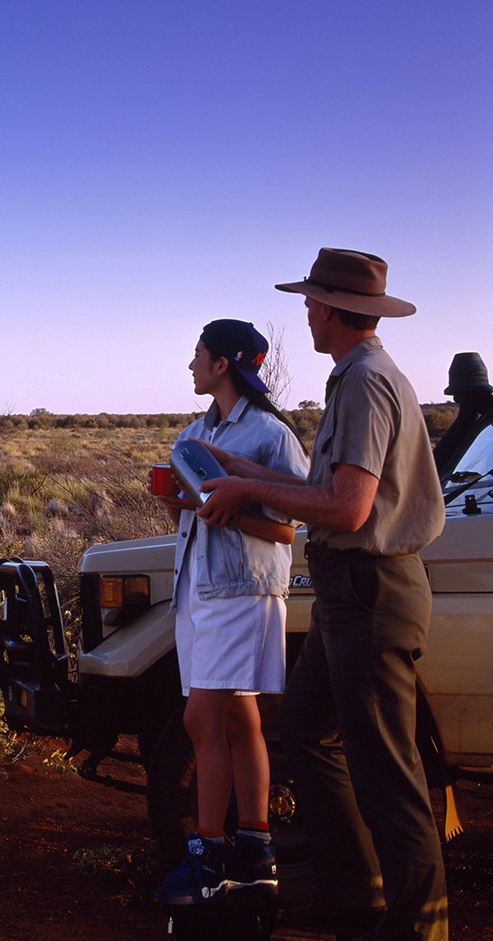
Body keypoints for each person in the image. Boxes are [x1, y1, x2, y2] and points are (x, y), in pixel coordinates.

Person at [196, 248, 447, 941]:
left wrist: (248, 489)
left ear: (333, 308)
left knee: (390, 779)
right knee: (308, 729)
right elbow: (324, 491)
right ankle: (354, 895)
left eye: (310, 300)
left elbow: (349, 506)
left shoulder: (365, 382)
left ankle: (419, 928)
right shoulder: (354, 376)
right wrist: (233, 466)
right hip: (349, 596)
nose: (304, 310)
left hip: (370, 594)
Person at [152, 320, 309, 907]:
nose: (191, 365)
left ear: (223, 364)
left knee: (200, 722)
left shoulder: (270, 436)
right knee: (240, 721)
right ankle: (255, 849)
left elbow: (289, 529)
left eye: (198, 355)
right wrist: (179, 506)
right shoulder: (195, 433)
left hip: (243, 593)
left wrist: (232, 514)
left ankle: (208, 857)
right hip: (198, 586)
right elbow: (194, 519)